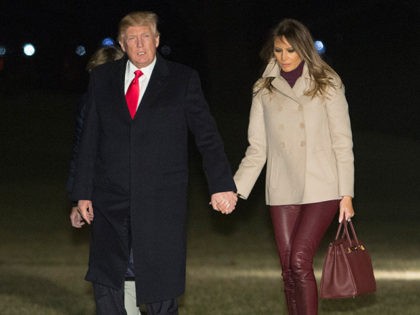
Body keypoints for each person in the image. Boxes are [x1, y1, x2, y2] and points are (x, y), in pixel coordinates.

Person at [70, 11, 237, 315]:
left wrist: (222, 185)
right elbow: (89, 140)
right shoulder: (102, 79)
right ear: (122, 43)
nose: (140, 45)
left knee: (159, 284)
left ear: (157, 40)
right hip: (110, 199)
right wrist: (82, 192)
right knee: (107, 280)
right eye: (132, 38)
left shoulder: (182, 79)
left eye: (145, 36)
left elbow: (207, 137)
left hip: (161, 201)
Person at [234, 18, 355, 315]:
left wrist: (347, 194)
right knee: (288, 268)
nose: (284, 57)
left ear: (303, 49)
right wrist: (233, 190)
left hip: (322, 186)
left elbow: (342, 141)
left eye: (290, 50)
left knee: (299, 260)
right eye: (278, 50)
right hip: (281, 188)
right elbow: (257, 148)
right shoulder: (263, 89)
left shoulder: (327, 82)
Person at [67, 45, 142, 315]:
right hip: (102, 194)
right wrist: (78, 198)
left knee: (131, 258)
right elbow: (81, 151)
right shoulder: (89, 102)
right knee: (112, 263)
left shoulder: (138, 101)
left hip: (135, 193)